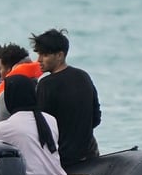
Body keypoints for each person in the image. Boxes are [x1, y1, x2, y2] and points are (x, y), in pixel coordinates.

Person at [32, 28, 101, 167]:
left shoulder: (46, 84)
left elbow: (42, 128)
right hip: (88, 154)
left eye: (44, 55)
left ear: (60, 55)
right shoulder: (83, 76)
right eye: (39, 54)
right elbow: (96, 118)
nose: (39, 60)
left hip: (61, 159)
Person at [0, 43, 43, 126]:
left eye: (0, 68)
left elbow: (0, 127)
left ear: (8, 70)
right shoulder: (42, 85)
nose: (0, 72)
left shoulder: (5, 95)